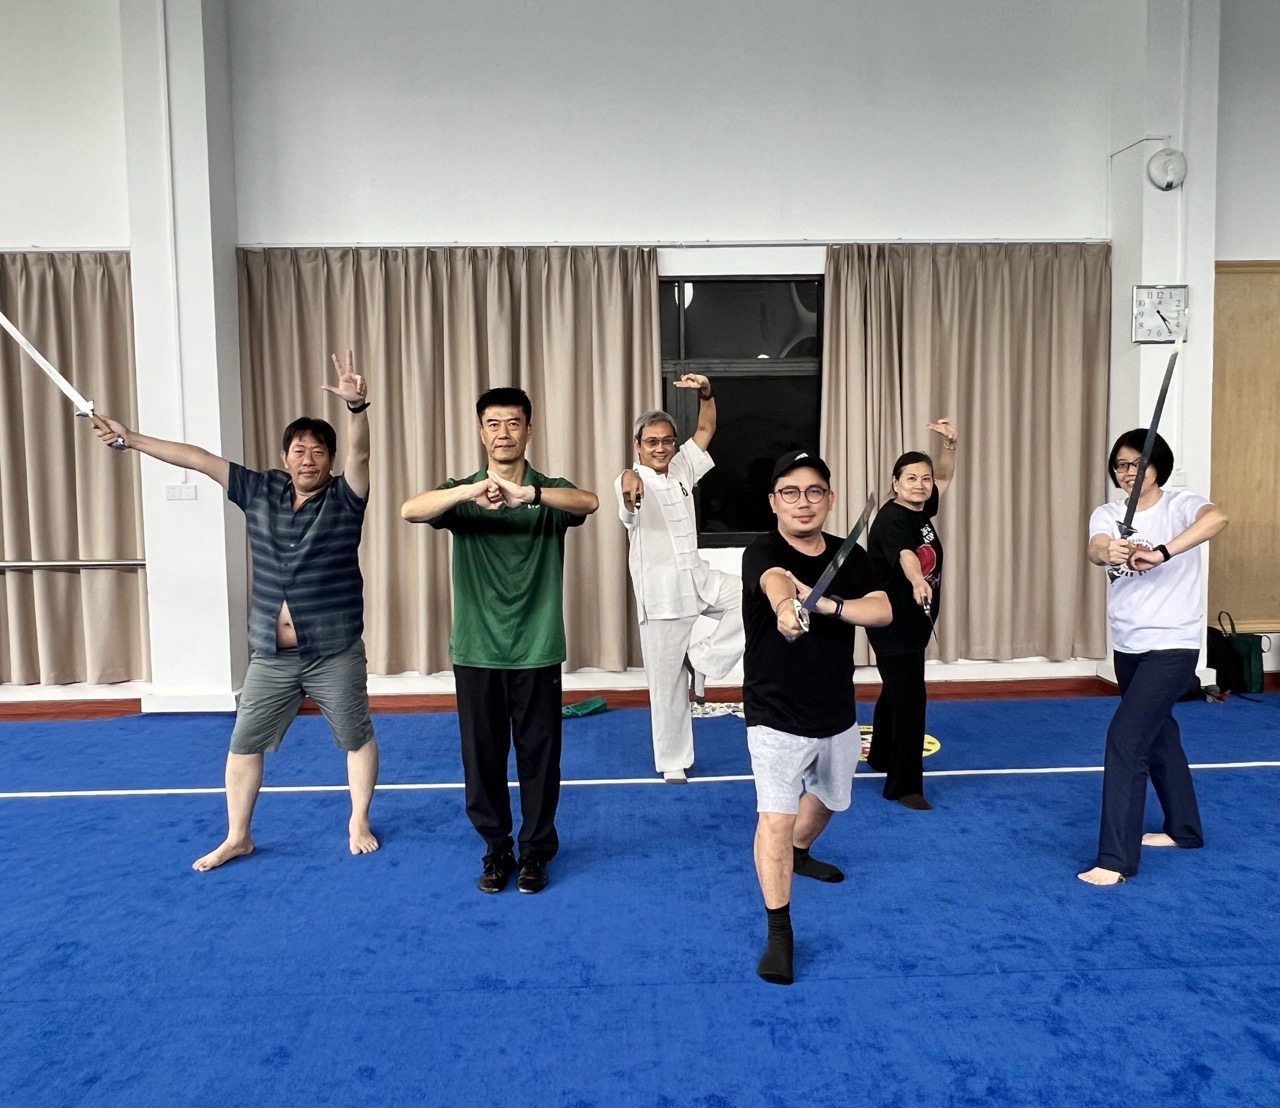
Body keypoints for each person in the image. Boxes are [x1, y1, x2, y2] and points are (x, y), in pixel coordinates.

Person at [96, 351, 379, 870]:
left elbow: (361, 457)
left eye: (318, 451)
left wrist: (357, 408)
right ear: (284, 455)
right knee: (242, 743)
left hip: (334, 649)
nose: (308, 458)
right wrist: (130, 437)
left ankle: (357, 818)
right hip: (271, 655)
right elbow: (198, 458)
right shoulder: (260, 489)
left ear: (331, 461)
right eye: (299, 450)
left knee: (355, 736)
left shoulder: (346, 497)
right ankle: (238, 835)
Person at [401, 387, 599, 895]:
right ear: (481, 431)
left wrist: (525, 495)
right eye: (493, 423)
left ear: (529, 430)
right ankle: (496, 849)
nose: (504, 432)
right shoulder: (463, 494)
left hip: (536, 649)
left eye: (513, 423)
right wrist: (470, 493)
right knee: (482, 759)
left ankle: (535, 852)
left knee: (539, 758)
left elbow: (589, 501)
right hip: (476, 649)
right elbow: (409, 509)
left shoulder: (548, 492)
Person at [742, 450, 891, 984]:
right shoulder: (761, 550)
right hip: (773, 713)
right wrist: (789, 611)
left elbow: (882, 609)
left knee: (829, 799)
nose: (802, 503)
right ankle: (780, 932)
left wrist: (826, 606)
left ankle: (802, 851)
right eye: (790, 493)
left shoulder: (850, 557)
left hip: (836, 710)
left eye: (813, 492)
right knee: (775, 820)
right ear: (773, 502)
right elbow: (776, 582)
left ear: (828, 499)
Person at [1078, 429, 1227, 886]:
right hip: (1128, 646)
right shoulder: (1107, 513)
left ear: (1156, 466)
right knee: (1160, 736)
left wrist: (1161, 552)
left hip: (1173, 646)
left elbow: (1217, 518)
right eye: (1121, 465)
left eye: (1137, 463)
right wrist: (1112, 550)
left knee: (1125, 739)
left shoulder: (1180, 504)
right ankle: (1183, 830)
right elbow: (1094, 549)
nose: (1128, 472)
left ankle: (1115, 859)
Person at [615, 373, 744, 783]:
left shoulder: (683, 466)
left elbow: (706, 427)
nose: (660, 447)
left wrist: (706, 392)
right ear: (638, 445)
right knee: (667, 686)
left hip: (699, 579)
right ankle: (672, 759)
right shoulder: (630, 479)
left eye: (666, 440)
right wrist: (628, 484)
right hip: (663, 597)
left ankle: (703, 658)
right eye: (651, 441)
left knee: (754, 595)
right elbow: (626, 499)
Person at [864, 420, 959, 810]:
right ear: (895, 482)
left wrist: (950, 444)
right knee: (910, 699)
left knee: (896, 690)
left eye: (925, 479)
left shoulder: (920, 509)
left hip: (914, 621)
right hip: (894, 621)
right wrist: (919, 581)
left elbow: (946, 477)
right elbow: (905, 554)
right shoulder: (892, 519)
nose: (920, 484)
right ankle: (904, 785)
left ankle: (881, 754)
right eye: (911, 478)